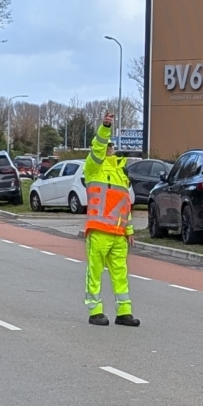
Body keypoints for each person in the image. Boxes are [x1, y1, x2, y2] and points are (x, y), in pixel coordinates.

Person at [81, 112, 137, 326]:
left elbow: (125, 206)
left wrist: (129, 231)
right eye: (106, 145)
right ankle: (95, 311)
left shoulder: (120, 173)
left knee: (120, 274)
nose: (109, 148)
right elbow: (97, 148)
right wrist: (105, 127)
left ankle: (124, 313)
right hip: (98, 230)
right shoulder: (93, 169)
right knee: (94, 273)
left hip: (118, 234)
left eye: (111, 146)